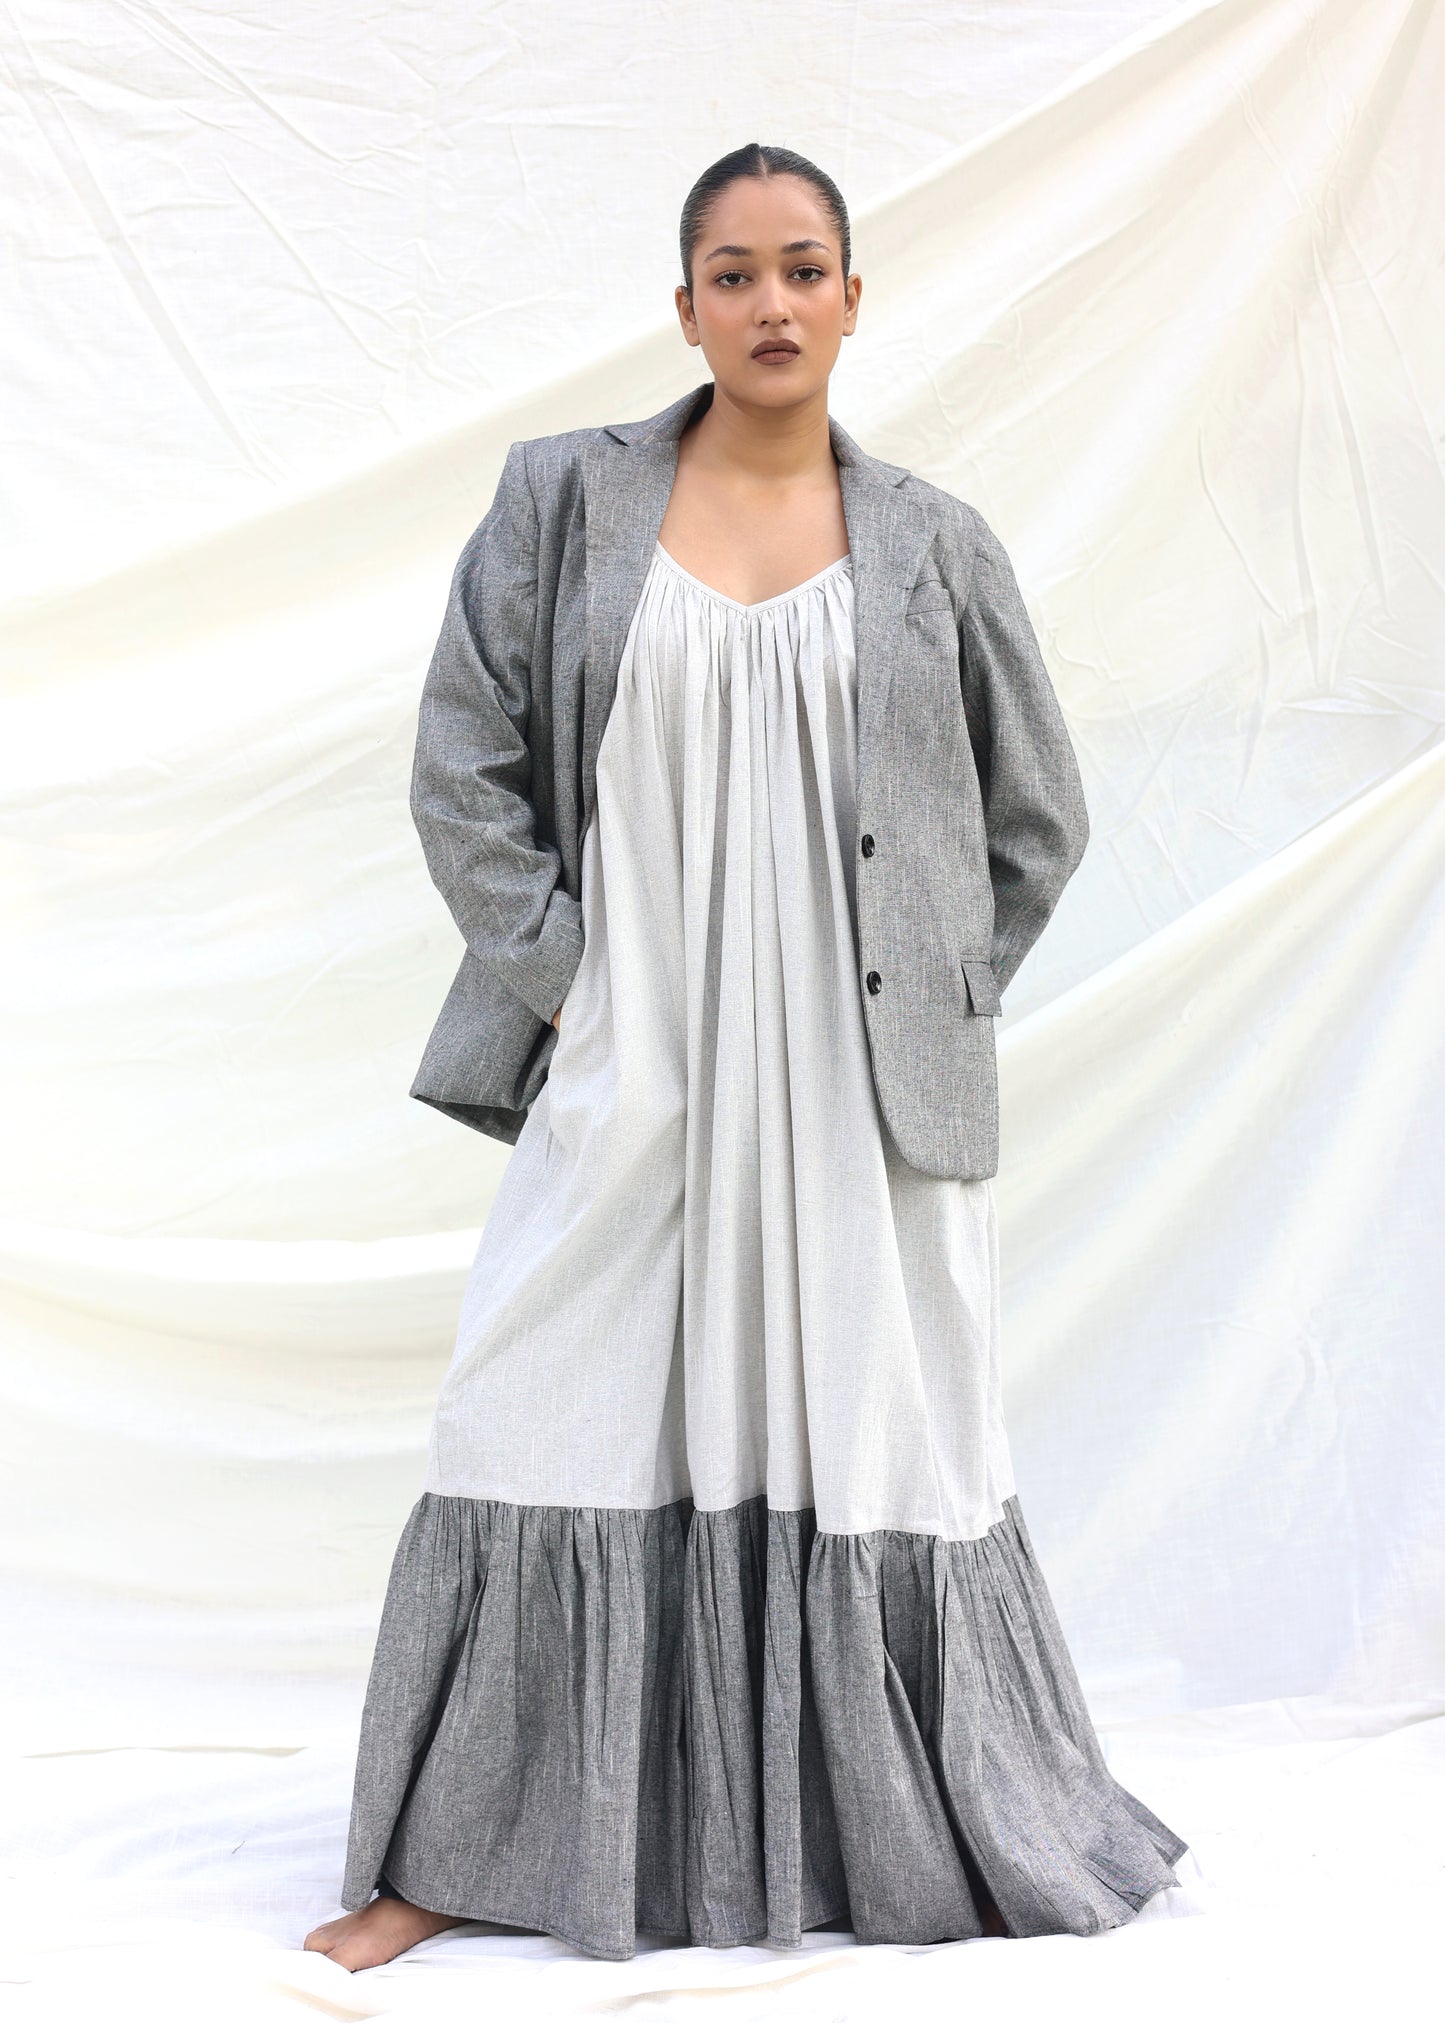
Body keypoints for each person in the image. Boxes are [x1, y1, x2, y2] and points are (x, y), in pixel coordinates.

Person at [305, 141, 1187, 1974]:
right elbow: (461, 766)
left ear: (852, 299)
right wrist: (574, 991)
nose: (770, 302)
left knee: (878, 1436)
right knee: (535, 1405)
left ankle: (920, 1834)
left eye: (802, 268)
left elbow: (1034, 818)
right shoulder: (563, 501)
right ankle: (456, 1851)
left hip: (863, 1098)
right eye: (733, 272)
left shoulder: (937, 542)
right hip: (631, 1065)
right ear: (686, 305)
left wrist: (920, 997)